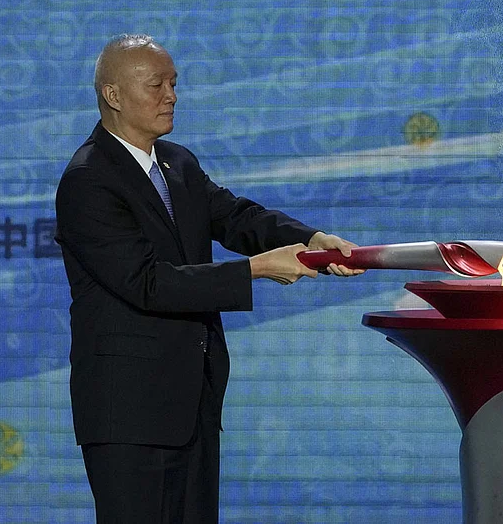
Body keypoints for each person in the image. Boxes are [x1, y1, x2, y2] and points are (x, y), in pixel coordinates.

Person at [55, 34, 363, 523]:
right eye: (156, 85)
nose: (171, 96)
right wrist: (258, 268)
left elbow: (236, 217)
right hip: (129, 414)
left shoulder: (178, 162)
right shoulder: (88, 179)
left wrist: (312, 240)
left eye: (174, 83)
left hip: (192, 403)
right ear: (113, 95)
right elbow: (148, 283)